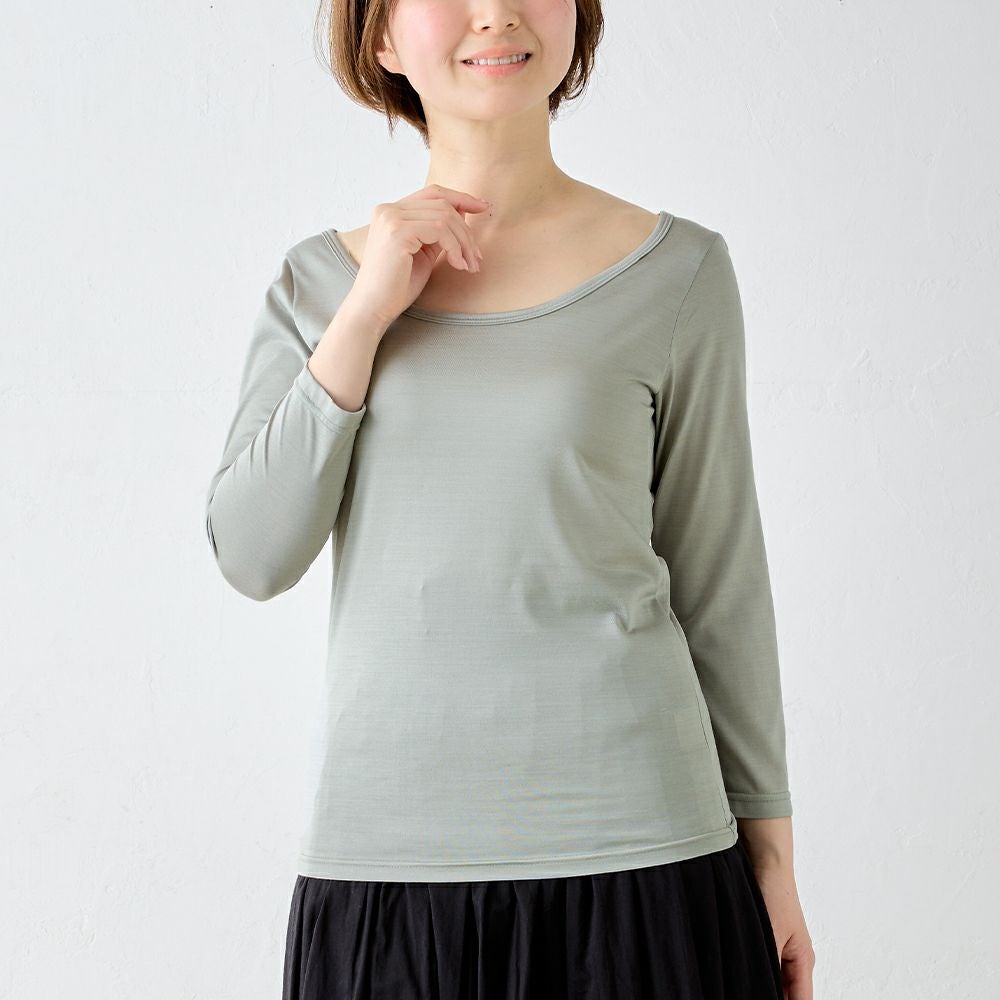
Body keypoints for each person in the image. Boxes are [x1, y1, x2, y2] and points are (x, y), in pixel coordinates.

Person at [204, 0, 816, 997]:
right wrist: (366, 315)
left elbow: (720, 583)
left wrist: (774, 862)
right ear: (381, 38)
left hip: (646, 853)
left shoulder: (677, 272)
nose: (495, 13)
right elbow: (252, 552)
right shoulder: (318, 285)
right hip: (386, 859)